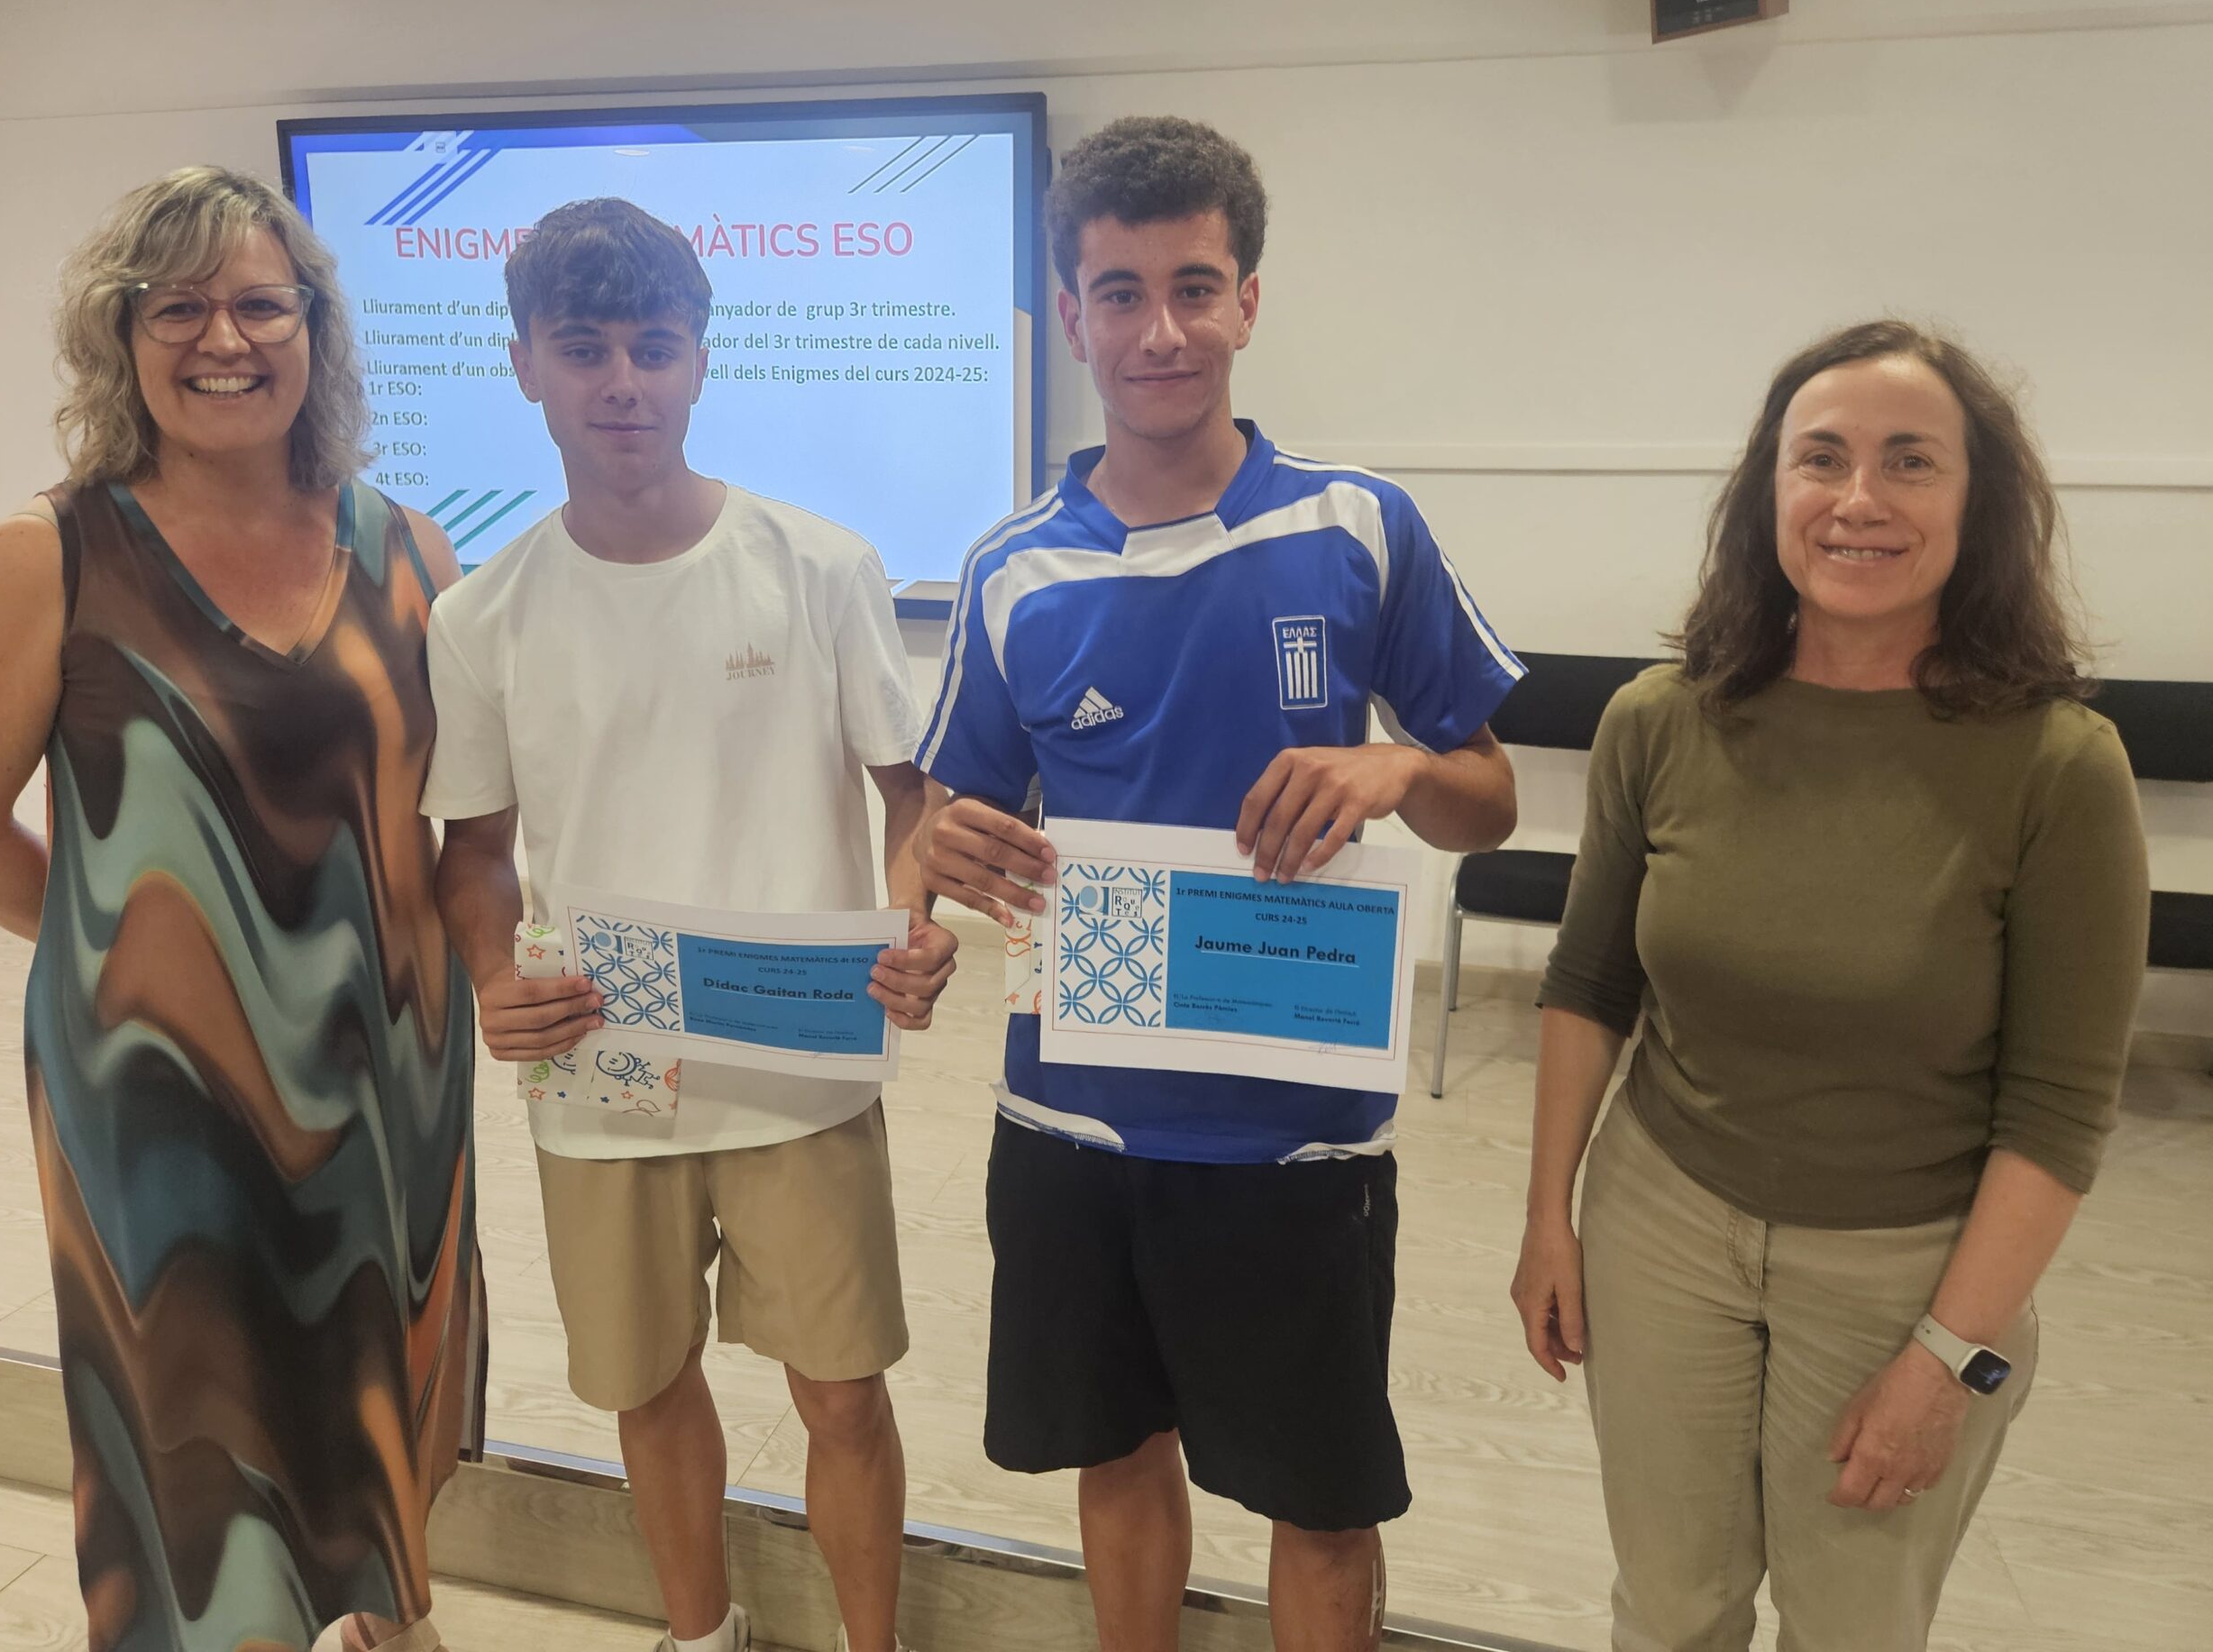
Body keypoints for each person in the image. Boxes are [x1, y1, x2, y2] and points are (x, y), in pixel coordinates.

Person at [913, 117, 1522, 1652]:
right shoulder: (1011, 570)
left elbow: (1490, 802)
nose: (1161, 331)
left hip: (1293, 1129)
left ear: (1248, 298)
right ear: (1071, 318)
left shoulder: (1358, 525)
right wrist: (939, 855)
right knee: (1117, 1457)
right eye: (1120, 294)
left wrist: (1398, 769)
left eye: (1194, 287)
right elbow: (950, 815)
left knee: (1320, 1502)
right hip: (1073, 1114)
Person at [0, 167, 481, 1652]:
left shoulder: (411, 551)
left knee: (379, 1376)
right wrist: (127, 966)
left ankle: (386, 1613)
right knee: (199, 1427)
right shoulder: (49, 556)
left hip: (389, 1082)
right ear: (121, 337)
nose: (225, 338)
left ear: (315, 331)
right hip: (163, 1108)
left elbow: (458, 813)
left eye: (260, 305)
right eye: (177, 308)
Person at [1509, 320, 2151, 1649]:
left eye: (1910, 461)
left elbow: (2058, 1113)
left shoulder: (2058, 767)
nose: (1860, 498)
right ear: (1769, 491)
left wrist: (1949, 1358)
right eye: (1822, 459)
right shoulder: (1661, 719)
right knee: (1669, 1609)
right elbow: (1588, 985)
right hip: (1659, 1220)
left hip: (1906, 1268)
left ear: (1977, 502)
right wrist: (1547, 1222)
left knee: (1854, 1625)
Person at [424, 197, 956, 1652]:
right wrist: (492, 973)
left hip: (799, 1064)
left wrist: (912, 923)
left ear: (702, 360)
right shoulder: (481, 618)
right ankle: (698, 1634)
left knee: (841, 1391)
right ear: (524, 363)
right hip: (603, 1066)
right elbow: (475, 852)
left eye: (653, 347)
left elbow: (911, 798)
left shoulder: (821, 568)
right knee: (646, 1387)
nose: (622, 383)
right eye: (583, 348)